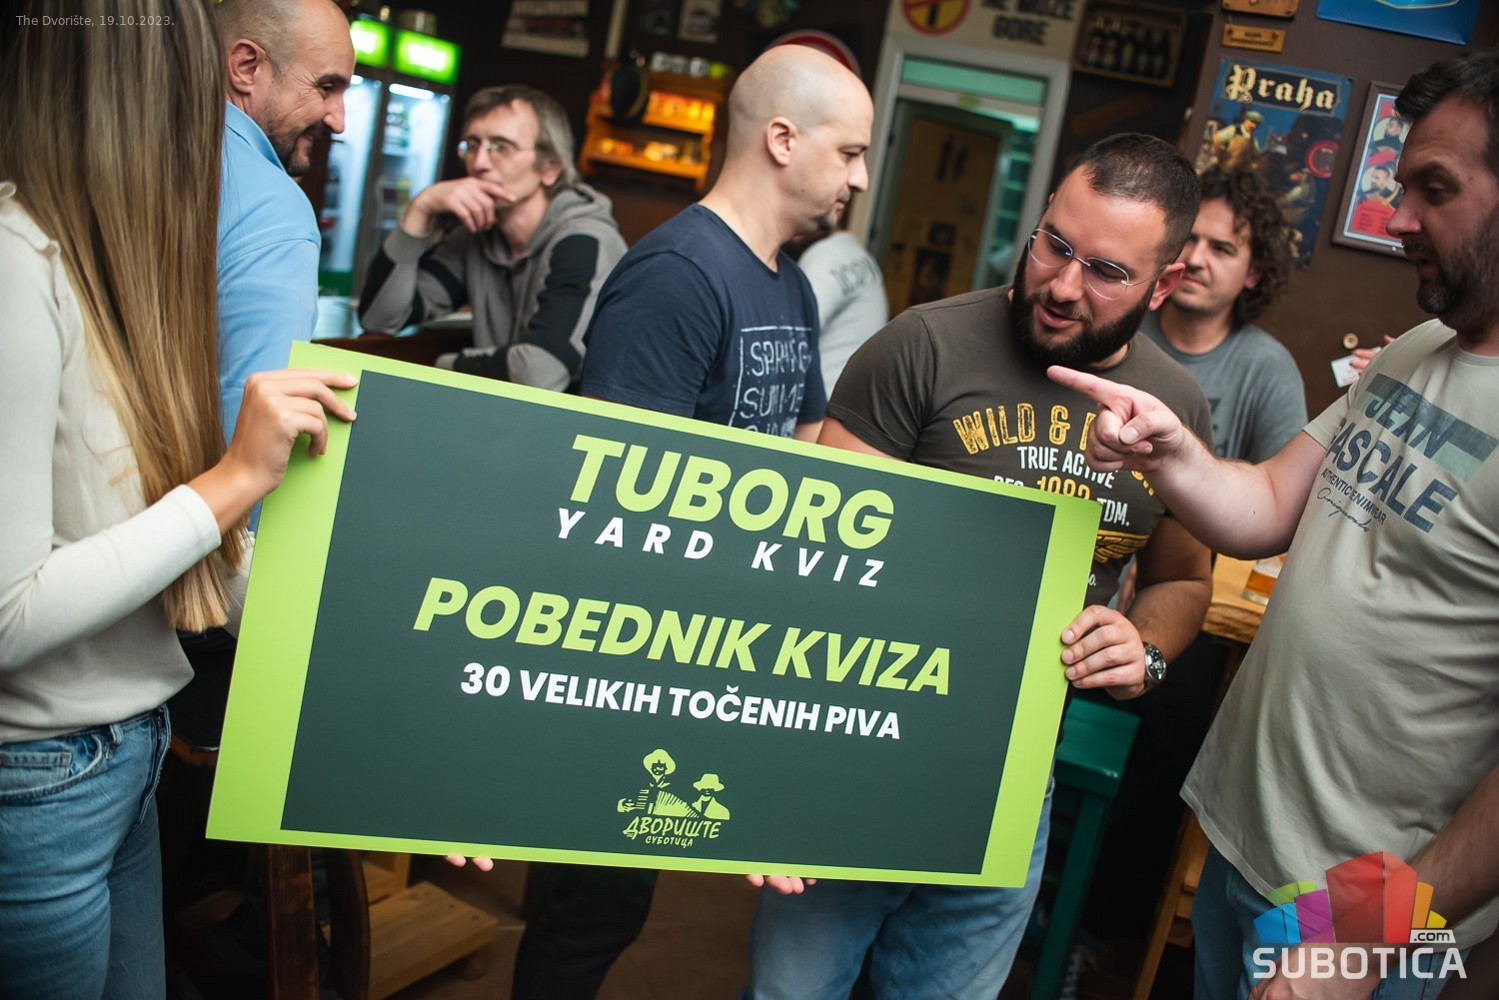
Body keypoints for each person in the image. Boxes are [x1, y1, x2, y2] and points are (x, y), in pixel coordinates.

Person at [1051, 51, 1499, 1000]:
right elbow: (1263, 506)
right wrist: (1169, 449)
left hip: (1367, 902)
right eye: (1400, 187)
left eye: (1433, 189)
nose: (1398, 218)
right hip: (1245, 832)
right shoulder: (1419, 348)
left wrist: (1364, 941)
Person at [743, 132, 1215, 1000]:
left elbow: (1184, 579)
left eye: (1106, 272)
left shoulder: (1171, 407)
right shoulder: (920, 346)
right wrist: (786, 775)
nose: (1062, 286)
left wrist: (1143, 648)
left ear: (1164, 283)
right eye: (1054, 245)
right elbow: (808, 565)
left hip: (1011, 783)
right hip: (857, 760)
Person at [0, 4, 355, 997]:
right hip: (40, 769)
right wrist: (235, 479)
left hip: (126, 744)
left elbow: (164, 534)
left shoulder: (108, 264)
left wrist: (387, 721)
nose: (216, 140)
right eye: (185, 97)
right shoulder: (19, 261)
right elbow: (8, 613)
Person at [508, 44, 872, 999]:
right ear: (782, 140)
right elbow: (620, 503)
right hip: (633, 651)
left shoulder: (788, 283)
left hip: (709, 645)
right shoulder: (675, 272)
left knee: (612, 906)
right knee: (587, 911)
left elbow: (806, 448)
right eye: (849, 152)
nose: (860, 178)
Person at [1077, 163, 1307, 955]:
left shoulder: (1264, 368)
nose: (1200, 259)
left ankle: (1095, 934)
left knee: (1169, 730)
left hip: (1187, 604)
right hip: (1085, 582)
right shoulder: (1116, 336)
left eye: (1224, 247)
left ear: (1255, 271)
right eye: (1192, 242)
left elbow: (1274, 514)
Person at [359, 84, 627, 392]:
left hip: (580, 420)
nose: (479, 163)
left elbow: (540, 373)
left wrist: (443, 366)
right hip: (508, 411)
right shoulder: (475, 237)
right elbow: (380, 319)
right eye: (473, 145)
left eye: (501, 147)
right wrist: (421, 209)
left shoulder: (584, 241)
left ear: (551, 168)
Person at [791, 197, 889, 392]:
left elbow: (791, 337)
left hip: (822, 401)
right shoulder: (856, 253)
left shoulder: (826, 259)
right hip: (848, 398)